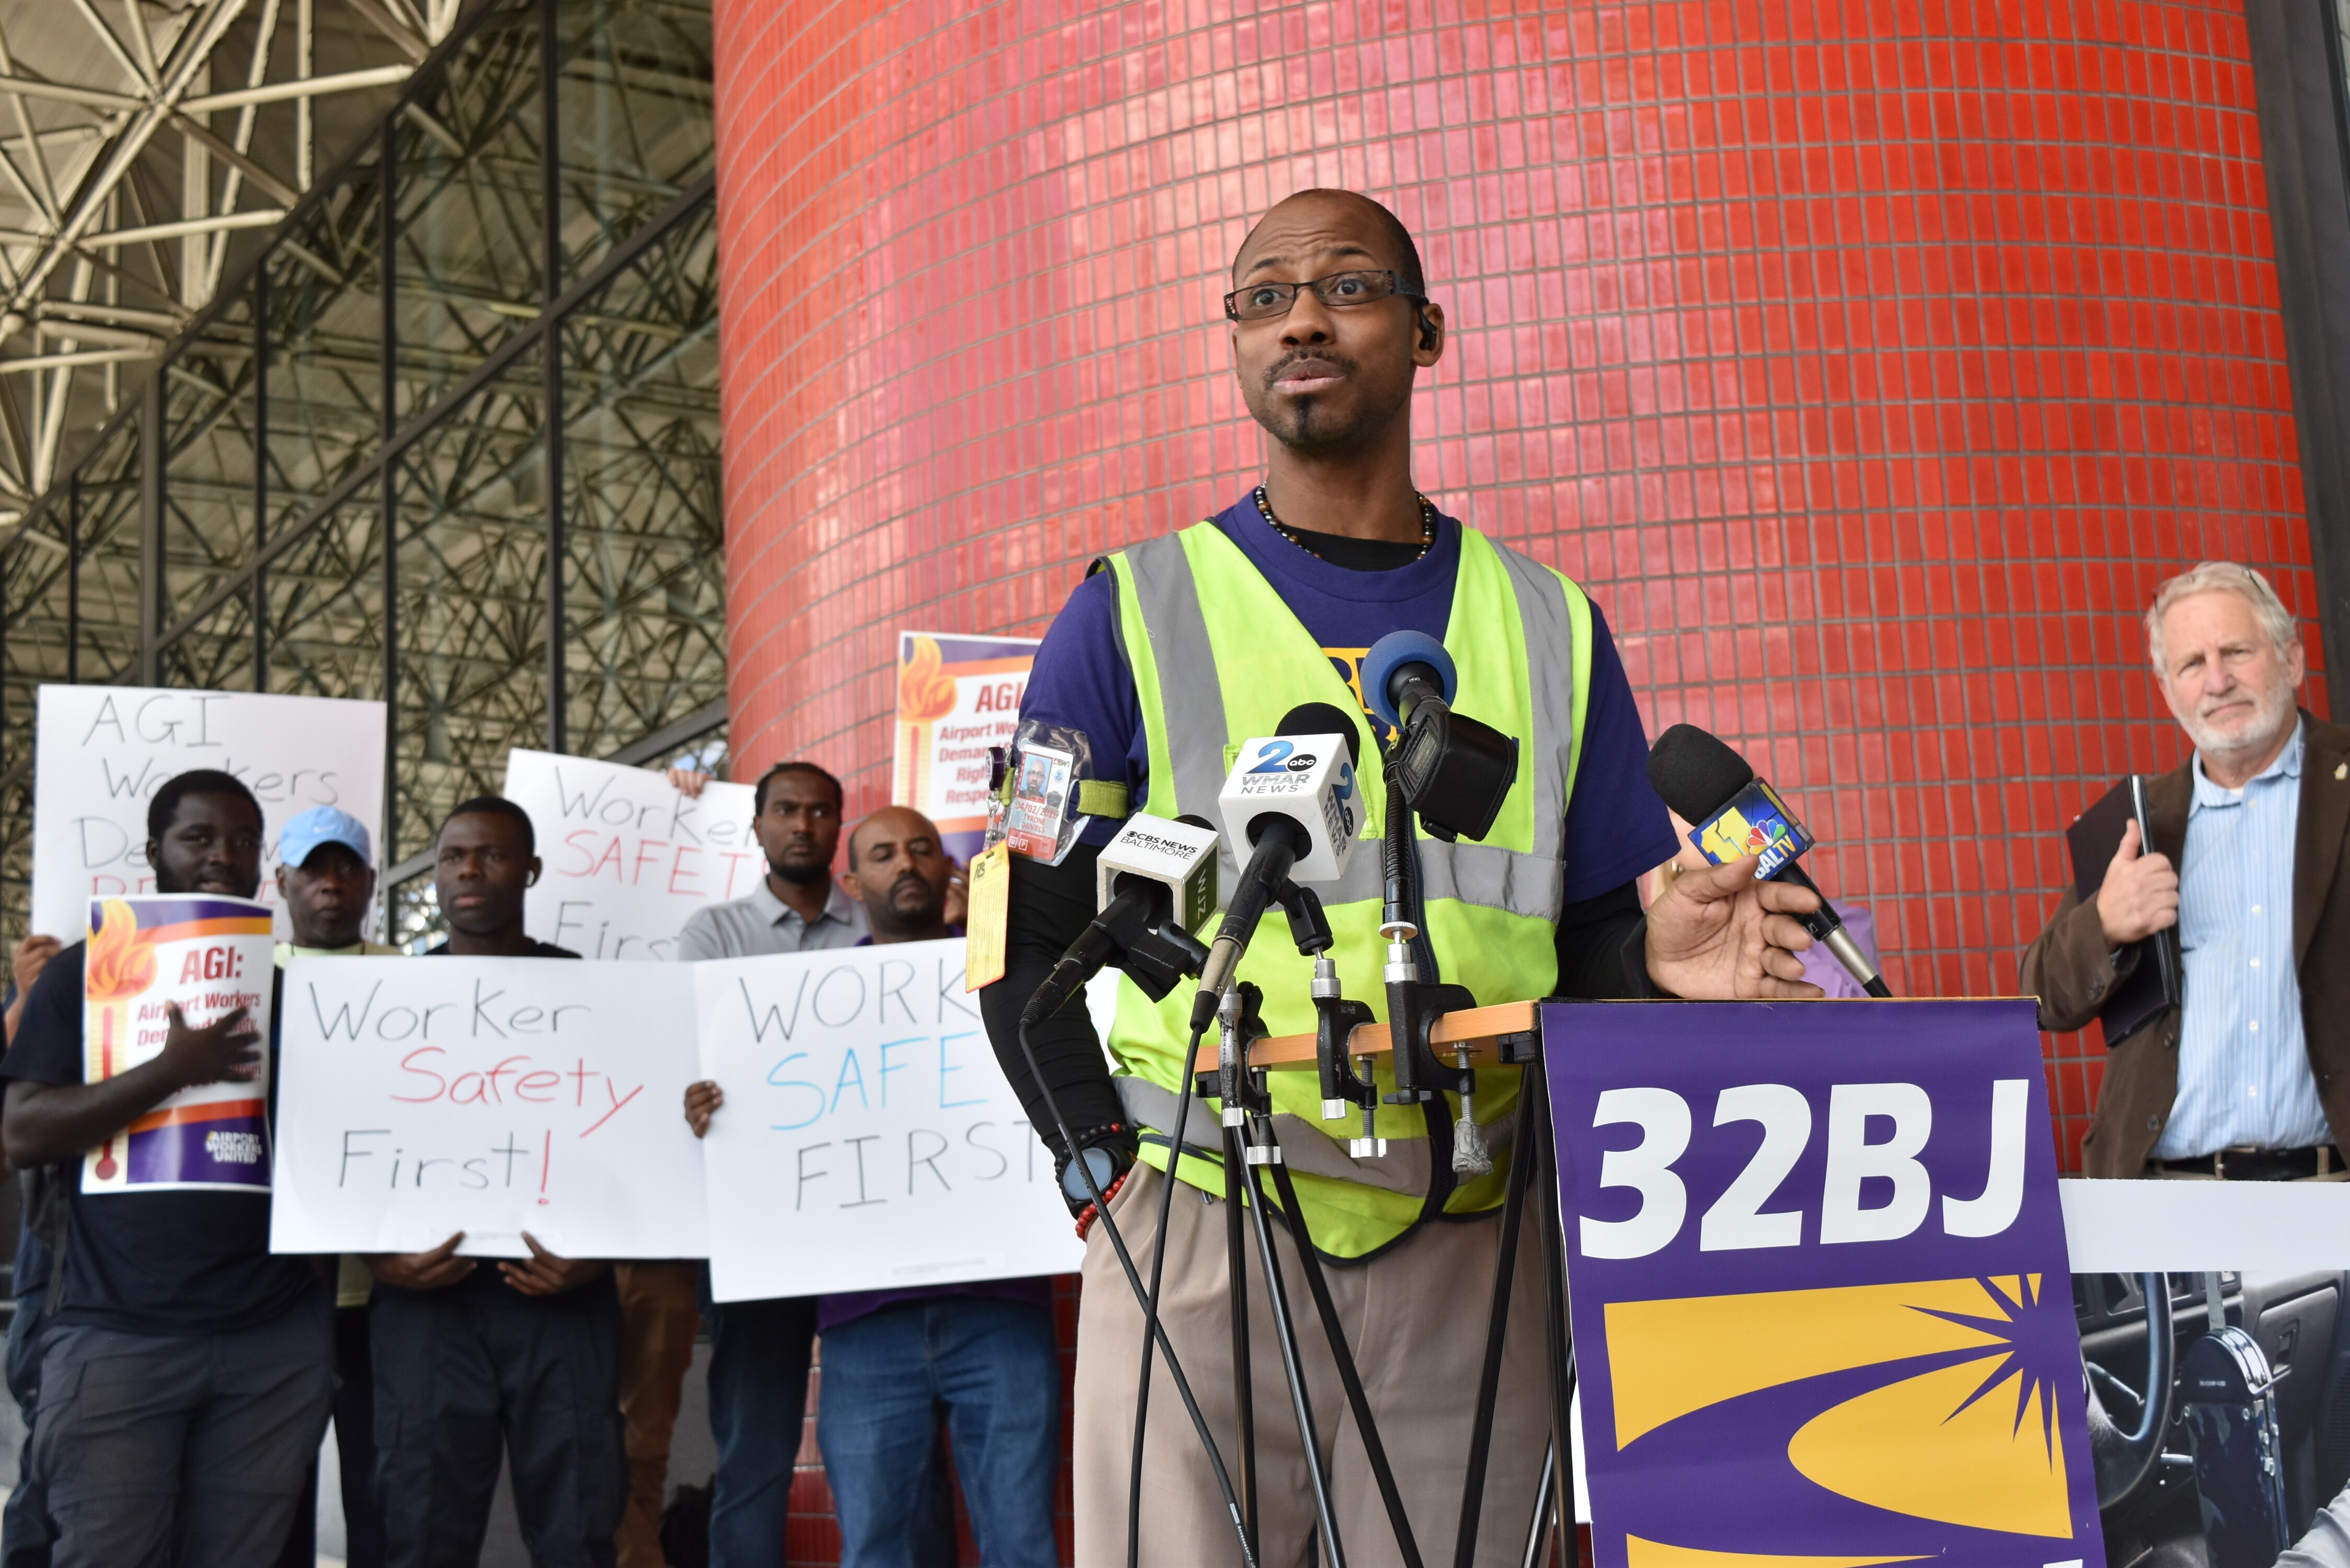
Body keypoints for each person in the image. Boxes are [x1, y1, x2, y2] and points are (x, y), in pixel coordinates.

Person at [977, 188, 1826, 1566]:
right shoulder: (1127, 604)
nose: (1300, 317)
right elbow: (1016, 918)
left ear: (1427, 331)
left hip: (1478, 1230)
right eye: (1262, 296)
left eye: (1347, 286)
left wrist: (1657, 965)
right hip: (1200, 1212)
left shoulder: (1550, 624)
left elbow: (1597, 930)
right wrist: (1100, 1172)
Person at [687, 805, 1059, 1568]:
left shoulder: (1006, 975)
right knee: (876, 1552)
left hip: (1002, 1310)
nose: (907, 864)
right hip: (864, 1328)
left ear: (947, 868)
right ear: (854, 883)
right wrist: (719, 1110)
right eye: (884, 854)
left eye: (922, 849)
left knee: (1021, 1544)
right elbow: (766, 1125)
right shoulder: (801, 1004)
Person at [0, 769, 334, 1567]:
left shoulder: (292, 996)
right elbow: (21, 1132)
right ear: (155, 851)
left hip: (269, 1342)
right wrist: (170, 1069)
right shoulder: (79, 980)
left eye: (244, 841)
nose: (224, 855)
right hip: (119, 1336)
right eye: (199, 837)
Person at [2023, 560, 2350, 1179]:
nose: (2217, 681)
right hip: (2166, 1201)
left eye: (2235, 652)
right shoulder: (2139, 824)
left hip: (2331, 1194)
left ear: (2291, 660)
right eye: (2191, 665)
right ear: (2167, 689)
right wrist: (2104, 926)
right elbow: (2039, 999)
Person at [363, 796, 624, 1568]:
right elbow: (340, 1147)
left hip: (565, 1303)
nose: (469, 870)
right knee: (420, 1533)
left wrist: (602, 1256)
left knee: (579, 1530)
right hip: (423, 1311)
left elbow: (632, 1146)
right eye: (452, 857)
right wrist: (378, 1259)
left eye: (493, 855)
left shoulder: (593, 992)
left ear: (532, 870)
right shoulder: (386, 1004)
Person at [665, 759, 863, 1568]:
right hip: (755, 1233)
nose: (803, 825)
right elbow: (681, 1060)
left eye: (820, 811)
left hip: (864, 1226)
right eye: (786, 810)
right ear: (756, 825)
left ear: (836, 826)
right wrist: (692, 1098)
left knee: (875, 1457)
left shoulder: (878, 930)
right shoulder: (709, 936)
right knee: (753, 1454)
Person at [272, 805, 400, 1568]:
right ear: (280, 879)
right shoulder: (245, 978)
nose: (330, 883)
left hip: (385, 1293)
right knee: (272, 1498)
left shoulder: (414, 979)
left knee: (381, 1493)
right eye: (314, 869)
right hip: (276, 1290)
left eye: (347, 868)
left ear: (371, 883)